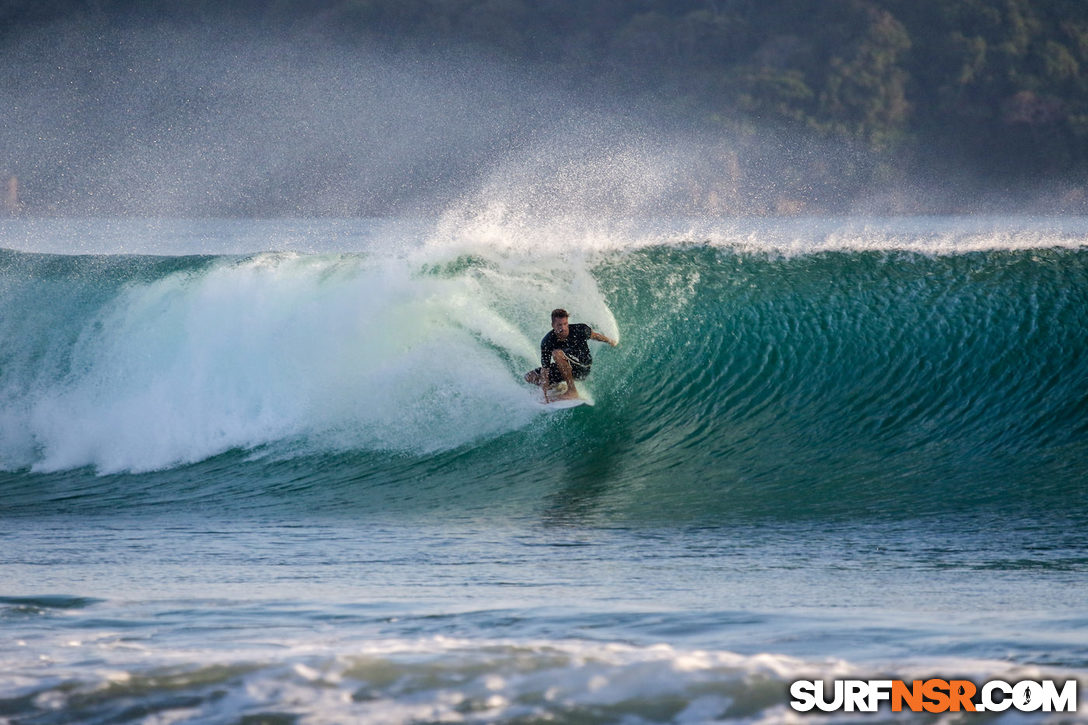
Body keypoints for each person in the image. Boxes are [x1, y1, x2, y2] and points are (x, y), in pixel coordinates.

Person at [524, 308, 617, 401]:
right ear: (553, 325)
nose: (563, 328)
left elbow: (595, 335)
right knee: (530, 377)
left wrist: (610, 341)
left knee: (557, 353)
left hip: (582, 367)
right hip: (565, 366)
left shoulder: (580, 329)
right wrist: (545, 395)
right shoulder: (547, 341)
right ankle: (555, 386)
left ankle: (572, 391)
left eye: (565, 324)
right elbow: (545, 369)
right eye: (559, 325)